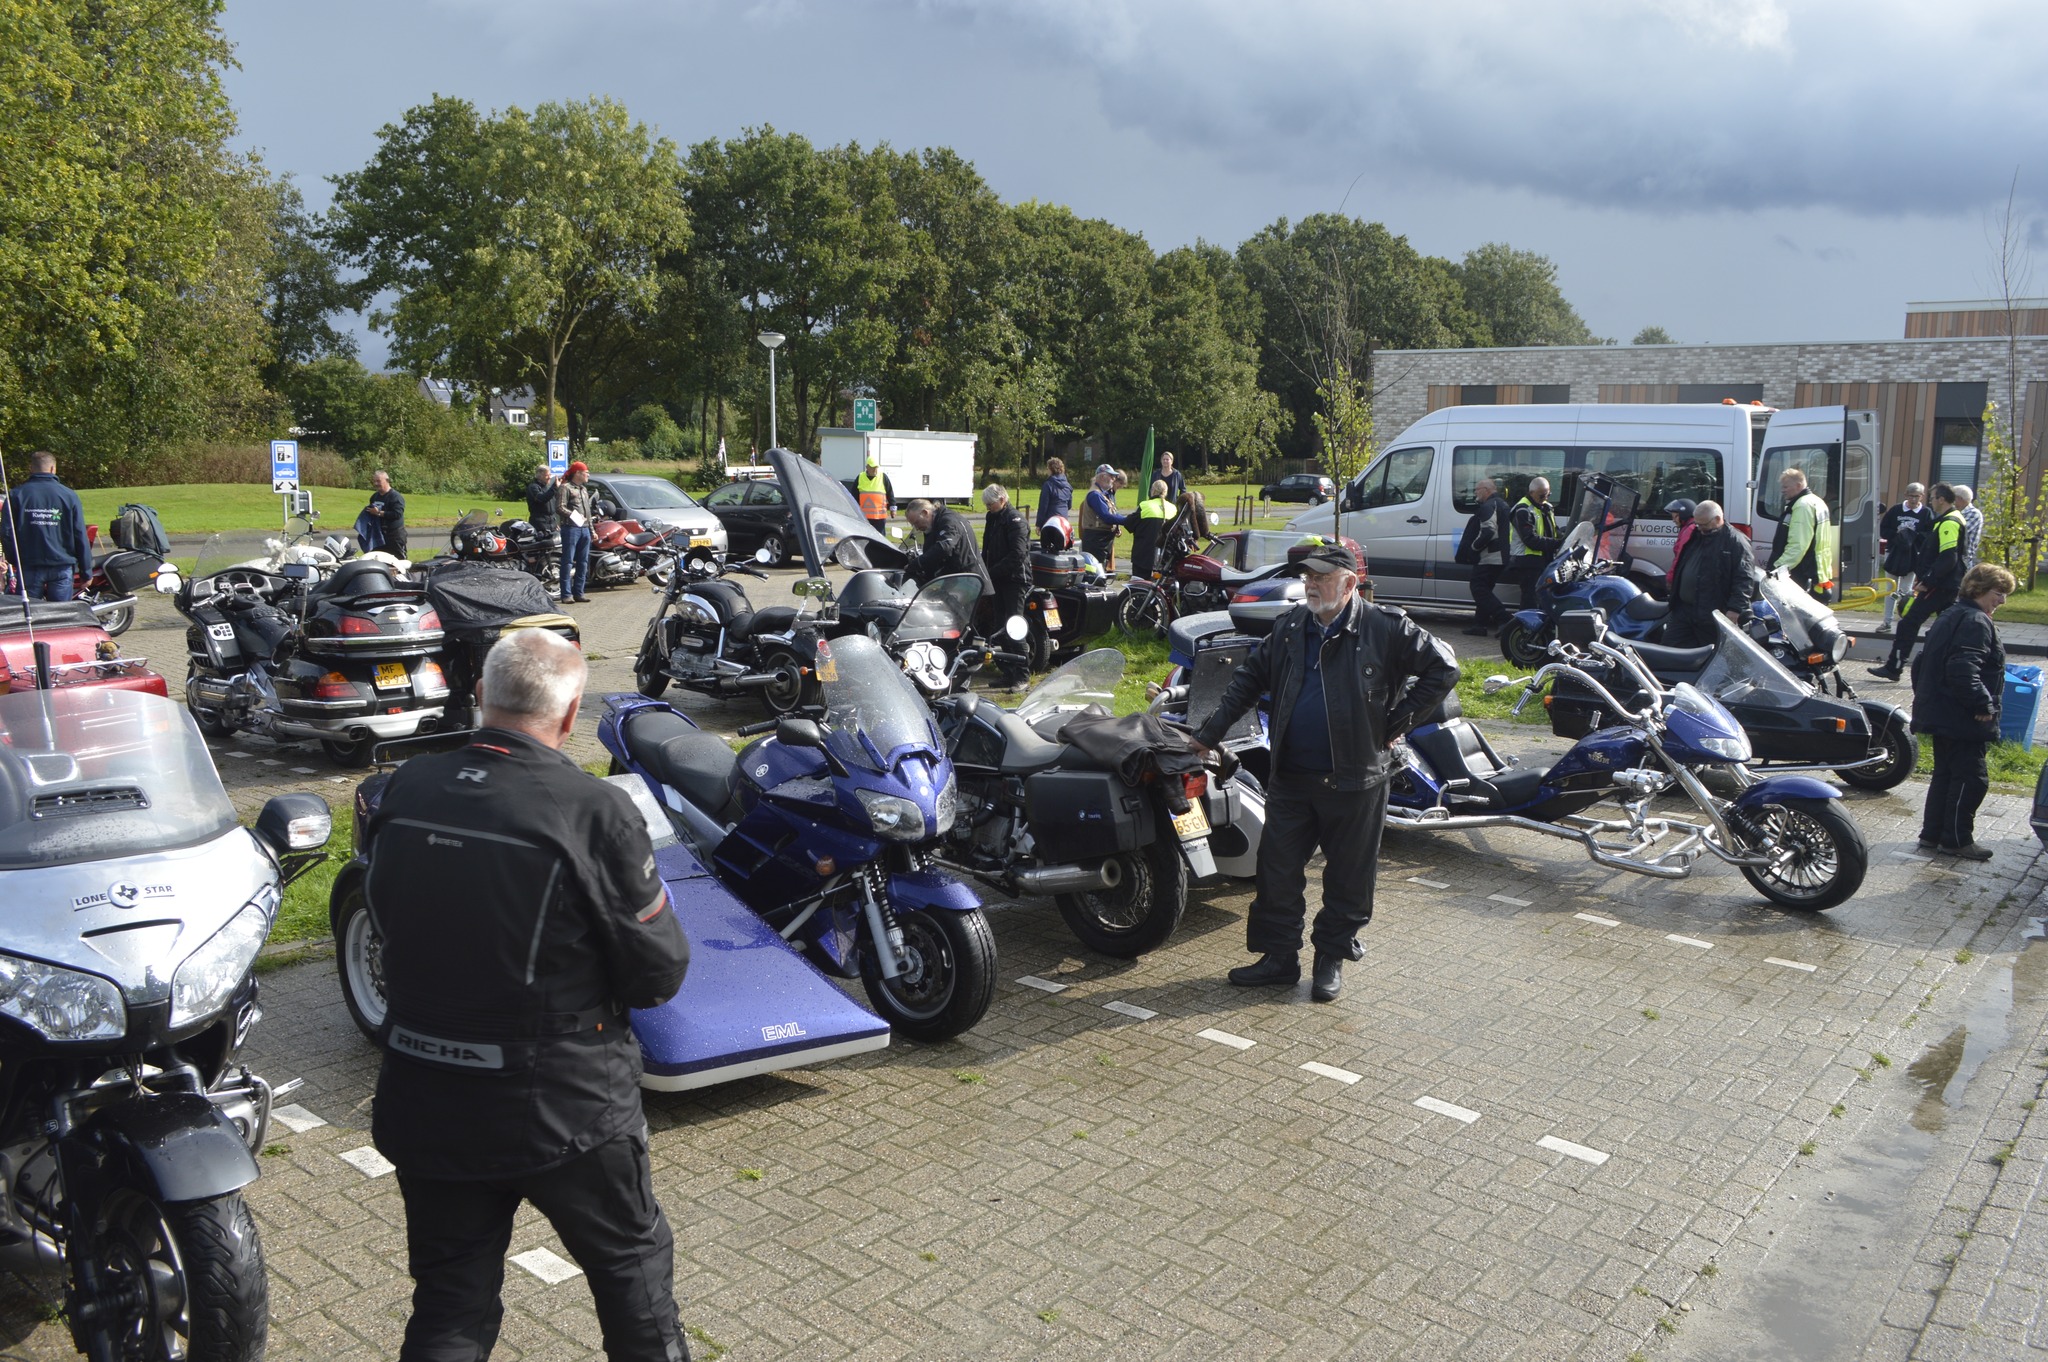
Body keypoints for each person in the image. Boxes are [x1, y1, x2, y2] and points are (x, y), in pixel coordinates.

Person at [363, 629, 693, 1361]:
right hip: (564, 1101)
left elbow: (383, 920)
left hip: (427, 1091)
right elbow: (659, 971)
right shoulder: (593, 808)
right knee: (632, 1282)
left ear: (480, 697)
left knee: (450, 1304)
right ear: (571, 713)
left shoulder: (404, 788)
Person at [1193, 543, 1459, 1003]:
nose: (1311, 584)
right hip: (1292, 777)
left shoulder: (1385, 627)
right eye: (1307, 577)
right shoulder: (1291, 626)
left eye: (1321, 577)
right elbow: (1247, 681)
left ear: (1350, 583)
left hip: (1355, 780)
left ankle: (1330, 959)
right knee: (1276, 873)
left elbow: (1444, 669)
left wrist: (1397, 722)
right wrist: (1207, 735)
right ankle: (1278, 959)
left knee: (1348, 878)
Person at [1910, 563, 2017, 860]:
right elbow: (1963, 669)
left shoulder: (1949, 614)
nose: (2003, 600)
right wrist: (1983, 705)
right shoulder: (1975, 622)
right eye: (1999, 593)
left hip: (1942, 712)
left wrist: (1928, 699)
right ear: (1979, 590)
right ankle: (1956, 840)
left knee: (1945, 774)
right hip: (1962, 716)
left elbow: (1920, 665)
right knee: (1971, 777)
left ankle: (1932, 835)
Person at [1872, 483, 1966, 682]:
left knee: (1908, 623)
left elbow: (1949, 558)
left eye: (1932, 498)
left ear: (1941, 499)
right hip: (1944, 584)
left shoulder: (1949, 522)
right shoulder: (1947, 520)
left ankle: (1894, 667)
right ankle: (1952, 668)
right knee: (1948, 627)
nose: (1930, 501)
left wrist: (1928, 581)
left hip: (1939, 586)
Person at [1660, 500, 1754, 648]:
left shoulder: (1735, 541)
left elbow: (1744, 578)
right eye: (1697, 524)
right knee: (1668, 650)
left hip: (1712, 612)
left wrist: (1735, 609)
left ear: (1717, 519)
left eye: (1703, 524)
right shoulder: (1696, 534)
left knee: (1712, 657)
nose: (1700, 528)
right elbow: (1680, 561)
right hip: (1684, 610)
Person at [0, 451, 90, 602]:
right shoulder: (69, 496)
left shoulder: (16, 495)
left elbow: (7, 533)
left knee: (30, 613)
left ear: (31, 468)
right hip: (62, 565)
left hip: (30, 565)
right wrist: (86, 571)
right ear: (53, 469)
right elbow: (80, 534)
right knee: (60, 615)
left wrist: (15, 559)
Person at [980, 485, 1032, 686]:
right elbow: (987, 548)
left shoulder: (1015, 520)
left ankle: (1022, 675)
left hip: (1015, 579)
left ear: (1002, 499)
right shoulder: (992, 517)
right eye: (986, 504)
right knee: (999, 626)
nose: (988, 507)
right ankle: (1008, 672)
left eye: (990, 504)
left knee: (1014, 626)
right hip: (998, 578)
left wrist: (991, 572)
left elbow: (1018, 554)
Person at [903, 497, 993, 598]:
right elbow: (931, 550)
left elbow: (945, 546)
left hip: (972, 585)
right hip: (956, 581)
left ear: (925, 513)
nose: (917, 528)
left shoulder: (949, 520)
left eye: (916, 522)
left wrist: (917, 563)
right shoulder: (932, 524)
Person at [1457, 477, 1511, 636]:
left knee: (1478, 588)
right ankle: (1479, 625)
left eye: (1477, 489)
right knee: (1485, 589)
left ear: (1487, 490)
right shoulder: (1502, 504)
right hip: (1500, 556)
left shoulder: (1489, 506)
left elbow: (1488, 531)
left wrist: (1474, 548)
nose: (1475, 492)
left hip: (1490, 557)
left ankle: (1505, 618)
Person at [1770, 468, 1832, 595]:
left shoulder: (1802, 506)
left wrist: (1778, 568)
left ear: (1798, 486)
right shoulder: (1817, 501)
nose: (1782, 491)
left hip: (1801, 571)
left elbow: (1798, 545)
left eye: (1786, 487)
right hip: (1815, 569)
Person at [1879, 483, 1931, 632]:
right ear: (1906, 495)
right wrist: (1898, 536)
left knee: (1906, 591)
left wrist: (1913, 536)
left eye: (1917, 496)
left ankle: (1905, 622)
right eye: (1911, 496)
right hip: (1894, 553)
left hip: (1913, 555)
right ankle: (1887, 622)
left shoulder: (1926, 513)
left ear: (1922, 496)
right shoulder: (1896, 510)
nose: (1914, 499)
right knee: (1891, 588)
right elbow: (1884, 529)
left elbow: (1929, 534)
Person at [1505, 477, 1563, 609]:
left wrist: (1565, 537)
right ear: (1531, 493)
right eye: (1542, 495)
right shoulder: (1523, 510)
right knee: (1530, 597)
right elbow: (1530, 540)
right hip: (1527, 561)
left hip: (1543, 559)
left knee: (1542, 596)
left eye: (1548, 494)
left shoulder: (1546, 506)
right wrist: (1557, 543)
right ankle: (1526, 628)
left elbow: (1554, 530)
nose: (1545, 498)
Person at [556, 461, 596, 603]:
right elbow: (560, 507)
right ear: (578, 473)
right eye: (586, 472)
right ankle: (566, 594)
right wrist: (575, 516)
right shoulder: (565, 488)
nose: (588, 475)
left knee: (583, 562)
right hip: (571, 529)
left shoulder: (583, 489)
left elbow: (588, 512)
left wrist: (592, 530)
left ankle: (579, 592)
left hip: (584, 529)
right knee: (567, 562)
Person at [1078, 464, 1129, 568]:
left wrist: (1118, 525)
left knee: (1101, 574)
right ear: (1102, 477)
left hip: (1101, 541)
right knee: (1095, 575)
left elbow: (1111, 513)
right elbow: (1106, 516)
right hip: (1096, 542)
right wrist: (1128, 520)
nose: (1113, 479)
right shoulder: (1095, 495)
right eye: (1111, 476)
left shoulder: (1102, 494)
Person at [1130, 480, 1175, 581]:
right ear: (1166, 492)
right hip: (1165, 558)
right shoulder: (1173, 509)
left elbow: (1130, 524)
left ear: (1152, 491)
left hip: (1143, 555)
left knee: (1139, 587)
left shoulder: (1145, 506)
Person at [366, 469, 409, 560]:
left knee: (399, 562)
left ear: (387, 481)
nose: (376, 483)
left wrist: (378, 513)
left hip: (394, 536)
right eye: (374, 481)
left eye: (378, 481)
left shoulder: (396, 497)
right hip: (379, 536)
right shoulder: (374, 497)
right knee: (378, 560)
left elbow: (397, 514)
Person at [856, 453, 895, 535]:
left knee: (880, 540)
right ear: (867, 467)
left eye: (876, 467)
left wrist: (893, 509)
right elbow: (853, 496)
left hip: (879, 517)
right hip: (864, 518)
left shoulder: (883, 477)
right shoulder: (860, 477)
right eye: (873, 467)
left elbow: (890, 493)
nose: (875, 470)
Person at [1036, 457, 1072, 530]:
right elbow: (1069, 505)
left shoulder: (1048, 485)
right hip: (1064, 522)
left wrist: (1039, 524)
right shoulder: (1068, 486)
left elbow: (1043, 506)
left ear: (1051, 469)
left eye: (1047, 468)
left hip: (1050, 522)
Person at [525, 463, 560, 536]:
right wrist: (554, 488)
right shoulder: (533, 487)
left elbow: (553, 506)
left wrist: (555, 523)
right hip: (540, 526)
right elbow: (541, 499)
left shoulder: (548, 488)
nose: (549, 477)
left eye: (550, 475)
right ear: (539, 476)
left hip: (552, 526)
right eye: (547, 475)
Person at [1954, 484, 1983, 569]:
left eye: (1953, 498)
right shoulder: (1955, 512)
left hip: (1963, 560)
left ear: (1960, 499)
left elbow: (1958, 531)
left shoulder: (1973, 513)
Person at [1665, 498, 1699, 567]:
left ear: (1685, 514)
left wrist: (1671, 576)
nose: (1673, 520)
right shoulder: (1688, 527)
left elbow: (1680, 557)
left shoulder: (1689, 529)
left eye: (1676, 516)